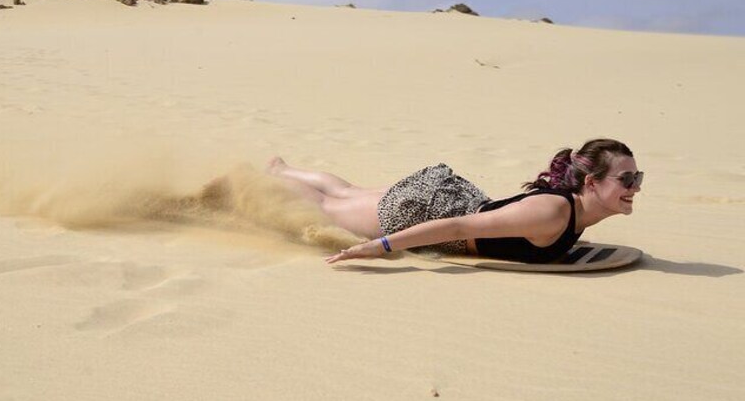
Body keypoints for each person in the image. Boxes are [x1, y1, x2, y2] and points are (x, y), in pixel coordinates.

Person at [265, 138, 643, 264]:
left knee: (348, 192)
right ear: (591, 183)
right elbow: (459, 227)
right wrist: (379, 247)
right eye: (627, 179)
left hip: (453, 200)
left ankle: (283, 170)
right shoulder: (553, 212)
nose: (635, 186)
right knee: (331, 207)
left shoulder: (578, 212)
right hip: (429, 212)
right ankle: (259, 182)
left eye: (637, 177)